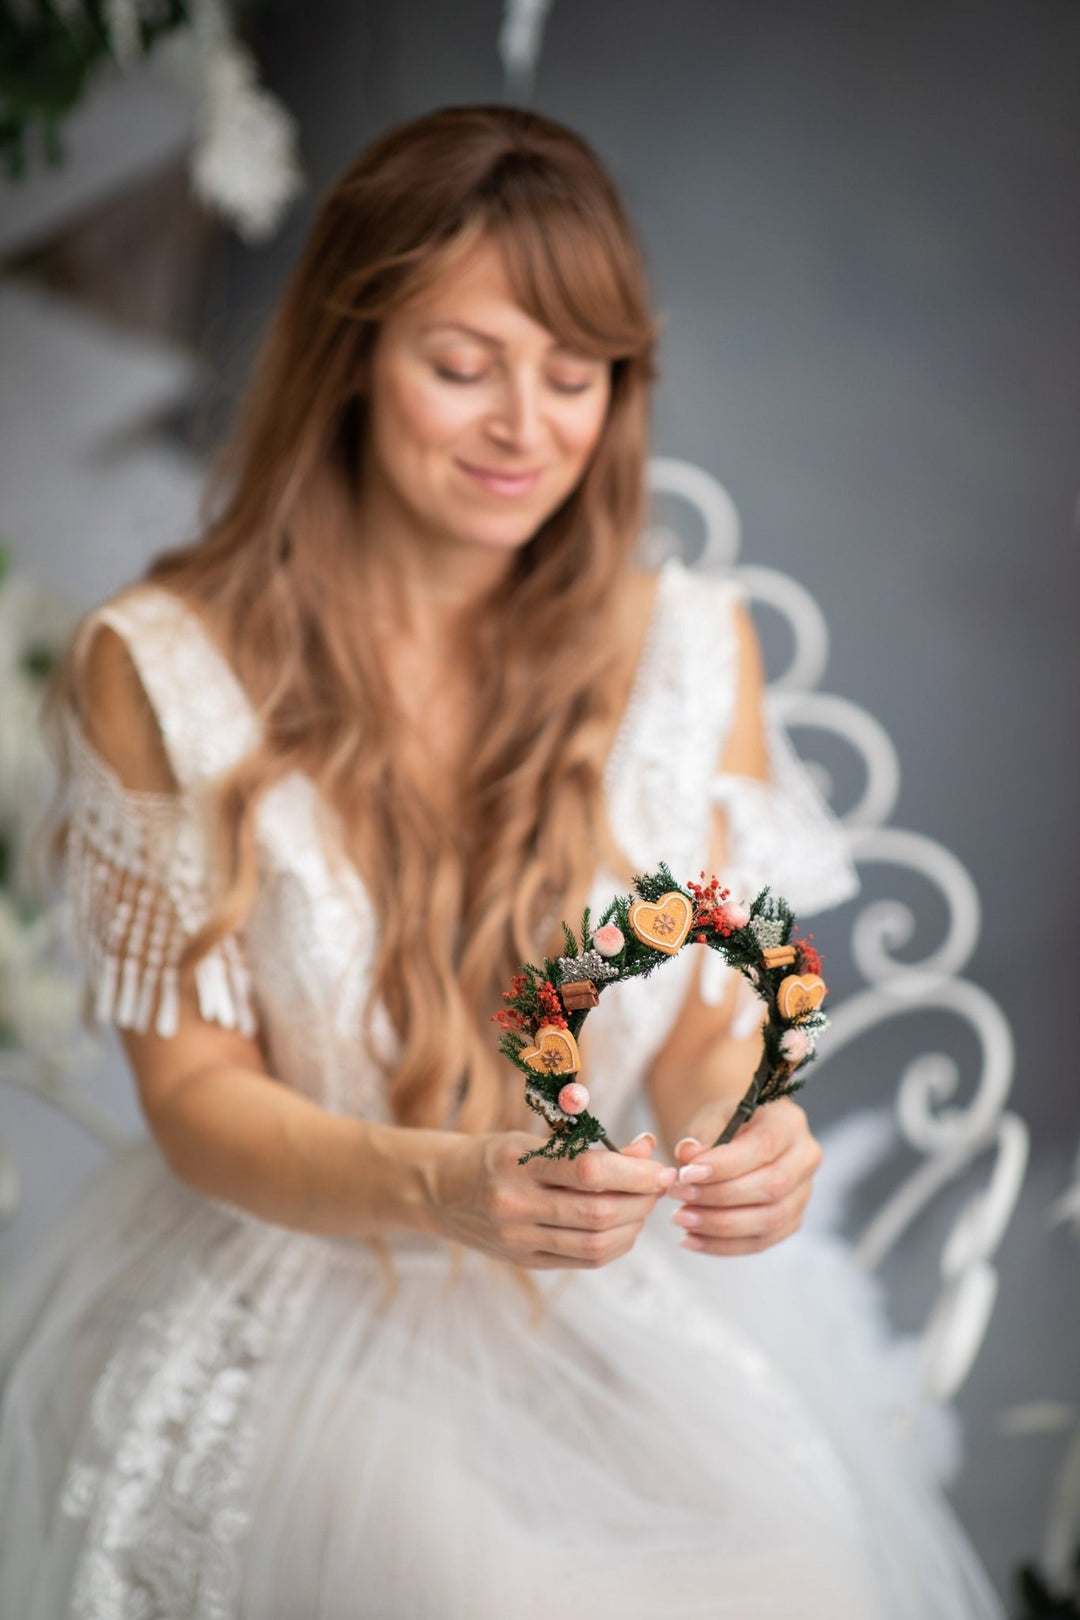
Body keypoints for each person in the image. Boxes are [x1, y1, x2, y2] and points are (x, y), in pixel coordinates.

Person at [0, 105, 1005, 1619]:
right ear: (348, 354)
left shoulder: (688, 643)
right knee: (488, 1590)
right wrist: (449, 1185)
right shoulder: (161, 663)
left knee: (799, 1569)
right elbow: (194, 1095)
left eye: (575, 373)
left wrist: (751, 1121)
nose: (524, 428)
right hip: (291, 1272)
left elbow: (713, 1009)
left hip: (602, 1290)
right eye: (463, 366)